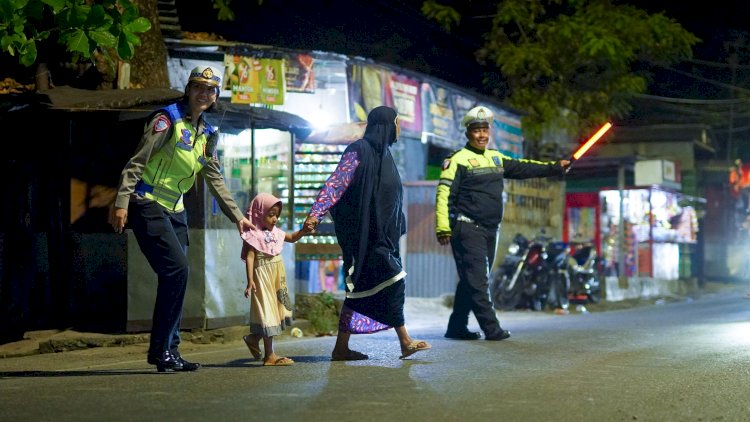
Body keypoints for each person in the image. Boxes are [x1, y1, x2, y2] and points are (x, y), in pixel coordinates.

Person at [110, 65, 253, 372]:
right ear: (188, 90)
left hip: (176, 210)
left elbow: (214, 179)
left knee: (177, 276)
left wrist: (238, 217)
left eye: (210, 89)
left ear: (215, 97)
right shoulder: (167, 120)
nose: (204, 93)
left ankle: (170, 351)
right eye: (198, 87)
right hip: (147, 202)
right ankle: (161, 350)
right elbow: (136, 163)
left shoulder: (208, 134)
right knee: (177, 270)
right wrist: (122, 203)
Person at [304, 106, 431, 361]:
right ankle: (405, 341)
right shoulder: (358, 150)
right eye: (397, 122)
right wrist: (316, 212)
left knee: (360, 291)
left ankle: (341, 348)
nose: (399, 128)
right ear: (384, 125)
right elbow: (337, 182)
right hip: (365, 237)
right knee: (395, 280)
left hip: (383, 237)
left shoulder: (385, 154)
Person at [435, 106, 570, 341]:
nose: (481, 135)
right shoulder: (457, 160)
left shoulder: (496, 157)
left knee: (471, 278)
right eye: (476, 130)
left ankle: (456, 326)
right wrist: (443, 226)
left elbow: (525, 167)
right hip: (467, 228)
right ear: (468, 133)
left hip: (490, 230)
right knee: (478, 281)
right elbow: (443, 194)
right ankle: (492, 328)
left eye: (485, 130)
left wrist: (555, 167)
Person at [240, 193, 311, 366]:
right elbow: (250, 257)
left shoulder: (277, 232)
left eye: (277, 215)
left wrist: (303, 230)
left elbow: (293, 238)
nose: (274, 219)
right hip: (263, 274)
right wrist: (250, 280)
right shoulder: (253, 234)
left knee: (275, 310)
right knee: (268, 312)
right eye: (270, 214)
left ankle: (253, 338)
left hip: (277, 274)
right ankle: (269, 355)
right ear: (258, 213)